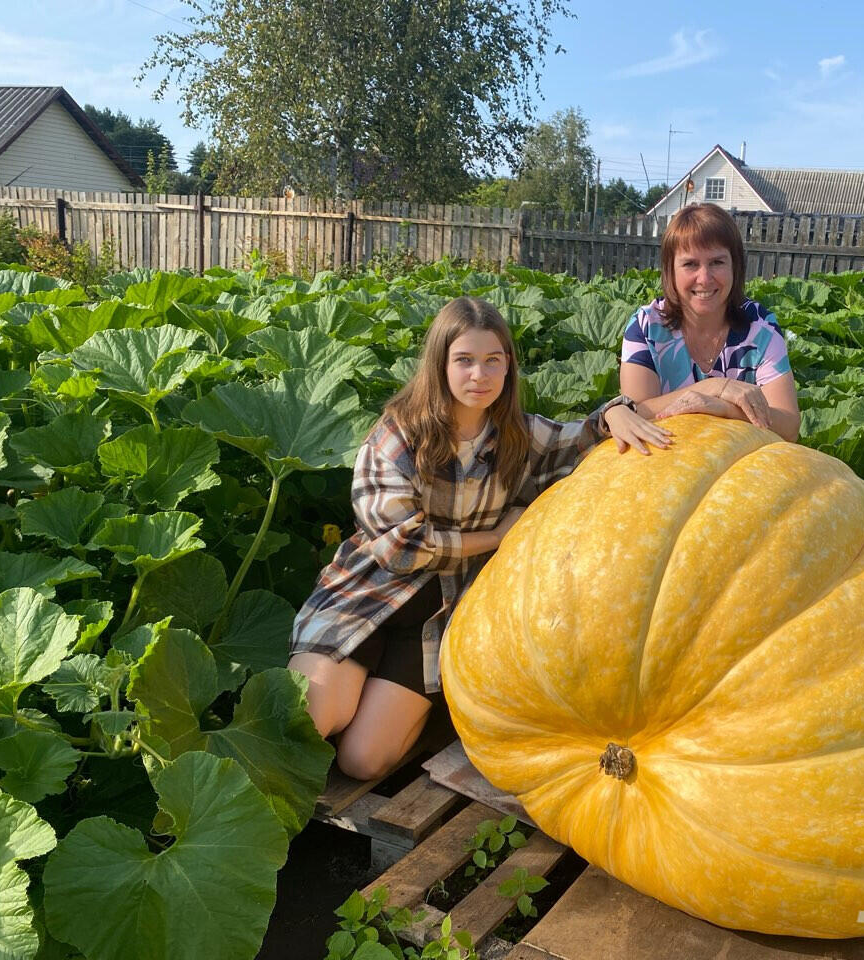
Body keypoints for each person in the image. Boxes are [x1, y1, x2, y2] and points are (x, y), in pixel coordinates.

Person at [288, 296, 671, 781]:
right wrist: (496, 535)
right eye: (464, 360)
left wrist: (616, 412)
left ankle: (378, 692)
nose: (480, 375)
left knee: (363, 762)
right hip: (368, 593)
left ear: (508, 366)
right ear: (440, 364)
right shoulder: (399, 435)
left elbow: (585, 437)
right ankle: (347, 687)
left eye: (493, 361)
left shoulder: (517, 436)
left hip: (439, 616)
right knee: (312, 718)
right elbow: (400, 548)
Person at [620, 203, 801, 442]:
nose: (704, 278)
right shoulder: (645, 326)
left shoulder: (761, 328)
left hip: (740, 466)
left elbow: (789, 427)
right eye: (690, 264)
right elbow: (634, 414)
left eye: (717, 262)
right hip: (666, 457)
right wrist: (713, 387)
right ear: (670, 270)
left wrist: (725, 409)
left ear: (735, 266)